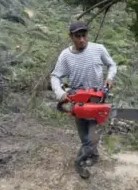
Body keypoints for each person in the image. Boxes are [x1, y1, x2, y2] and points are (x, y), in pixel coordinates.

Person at [50, 21, 117, 167]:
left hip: (96, 97)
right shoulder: (66, 55)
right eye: (77, 36)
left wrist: (109, 78)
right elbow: (55, 76)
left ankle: (90, 156)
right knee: (83, 134)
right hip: (77, 99)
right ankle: (90, 154)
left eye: (84, 35)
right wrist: (60, 93)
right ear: (71, 36)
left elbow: (112, 65)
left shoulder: (98, 49)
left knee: (92, 135)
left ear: (88, 34)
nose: (81, 39)